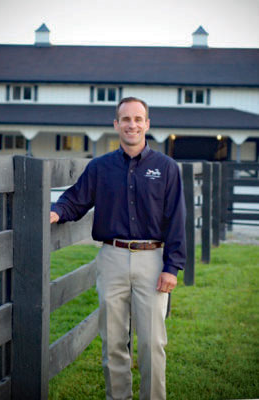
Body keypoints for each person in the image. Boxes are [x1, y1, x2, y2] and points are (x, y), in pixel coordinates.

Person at [50, 97, 186, 400]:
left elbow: (177, 219)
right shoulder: (100, 168)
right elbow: (76, 198)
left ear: (147, 124)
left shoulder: (166, 168)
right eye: (126, 119)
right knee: (112, 341)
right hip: (112, 258)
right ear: (116, 125)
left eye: (138, 119)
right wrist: (56, 212)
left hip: (153, 260)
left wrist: (171, 267)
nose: (132, 124)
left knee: (152, 343)